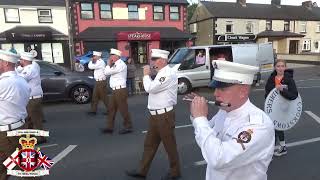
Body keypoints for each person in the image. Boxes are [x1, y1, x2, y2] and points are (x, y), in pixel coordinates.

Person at [189, 60, 275, 180]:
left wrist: (200, 119)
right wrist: (196, 114)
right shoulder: (224, 111)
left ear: (243, 91)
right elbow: (207, 135)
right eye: (215, 87)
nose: (215, 93)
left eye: (222, 89)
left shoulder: (258, 125)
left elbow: (219, 159)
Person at [126, 49, 181, 180]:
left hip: (164, 116)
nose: (152, 62)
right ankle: (142, 171)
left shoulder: (167, 74)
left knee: (169, 145)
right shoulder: (161, 73)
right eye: (152, 60)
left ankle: (175, 172)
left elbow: (150, 88)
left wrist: (145, 75)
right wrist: (150, 75)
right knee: (149, 144)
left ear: (162, 60)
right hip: (155, 115)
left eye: (154, 59)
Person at [0, 50, 30, 180]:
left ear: (5, 63)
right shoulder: (20, 79)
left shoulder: (4, 83)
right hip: (17, 126)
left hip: (8, 132)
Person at [265, 59, 298, 156]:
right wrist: (268, 100)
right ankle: (280, 147)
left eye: (282, 66)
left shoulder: (289, 79)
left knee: (277, 127)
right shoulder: (271, 78)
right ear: (275, 67)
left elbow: (294, 95)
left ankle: (277, 148)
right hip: (272, 108)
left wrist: (282, 90)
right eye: (278, 66)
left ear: (285, 67)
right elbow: (267, 92)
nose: (280, 68)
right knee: (273, 127)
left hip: (284, 107)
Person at [16, 52, 46, 144]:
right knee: (29, 118)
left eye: (20, 60)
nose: (19, 61)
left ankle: (41, 137)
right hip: (33, 97)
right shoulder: (34, 65)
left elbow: (20, 78)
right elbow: (22, 70)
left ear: (24, 60)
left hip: (33, 97)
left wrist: (15, 69)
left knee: (35, 118)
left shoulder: (30, 69)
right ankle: (30, 136)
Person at [102, 48, 133, 134]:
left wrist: (108, 65)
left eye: (111, 55)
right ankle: (109, 127)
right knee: (111, 109)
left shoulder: (120, 64)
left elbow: (106, 73)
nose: (110, 57)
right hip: (115, 90)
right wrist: (110, 65)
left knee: (123, 109)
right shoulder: (116, 64)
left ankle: (128, 126)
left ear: (116, 56)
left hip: (120, 90)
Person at [87, 51, 109, 115]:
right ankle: (93, 110)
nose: (93, 57)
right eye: (93, 56)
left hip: (101, 82)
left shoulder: (100, 62)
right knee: (94, 96)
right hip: (97, 81)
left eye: (94, 56)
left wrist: (90, 61)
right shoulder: (97, 62)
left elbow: (90, 67)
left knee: (104, 97)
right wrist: (92, 61)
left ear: (98, 56)